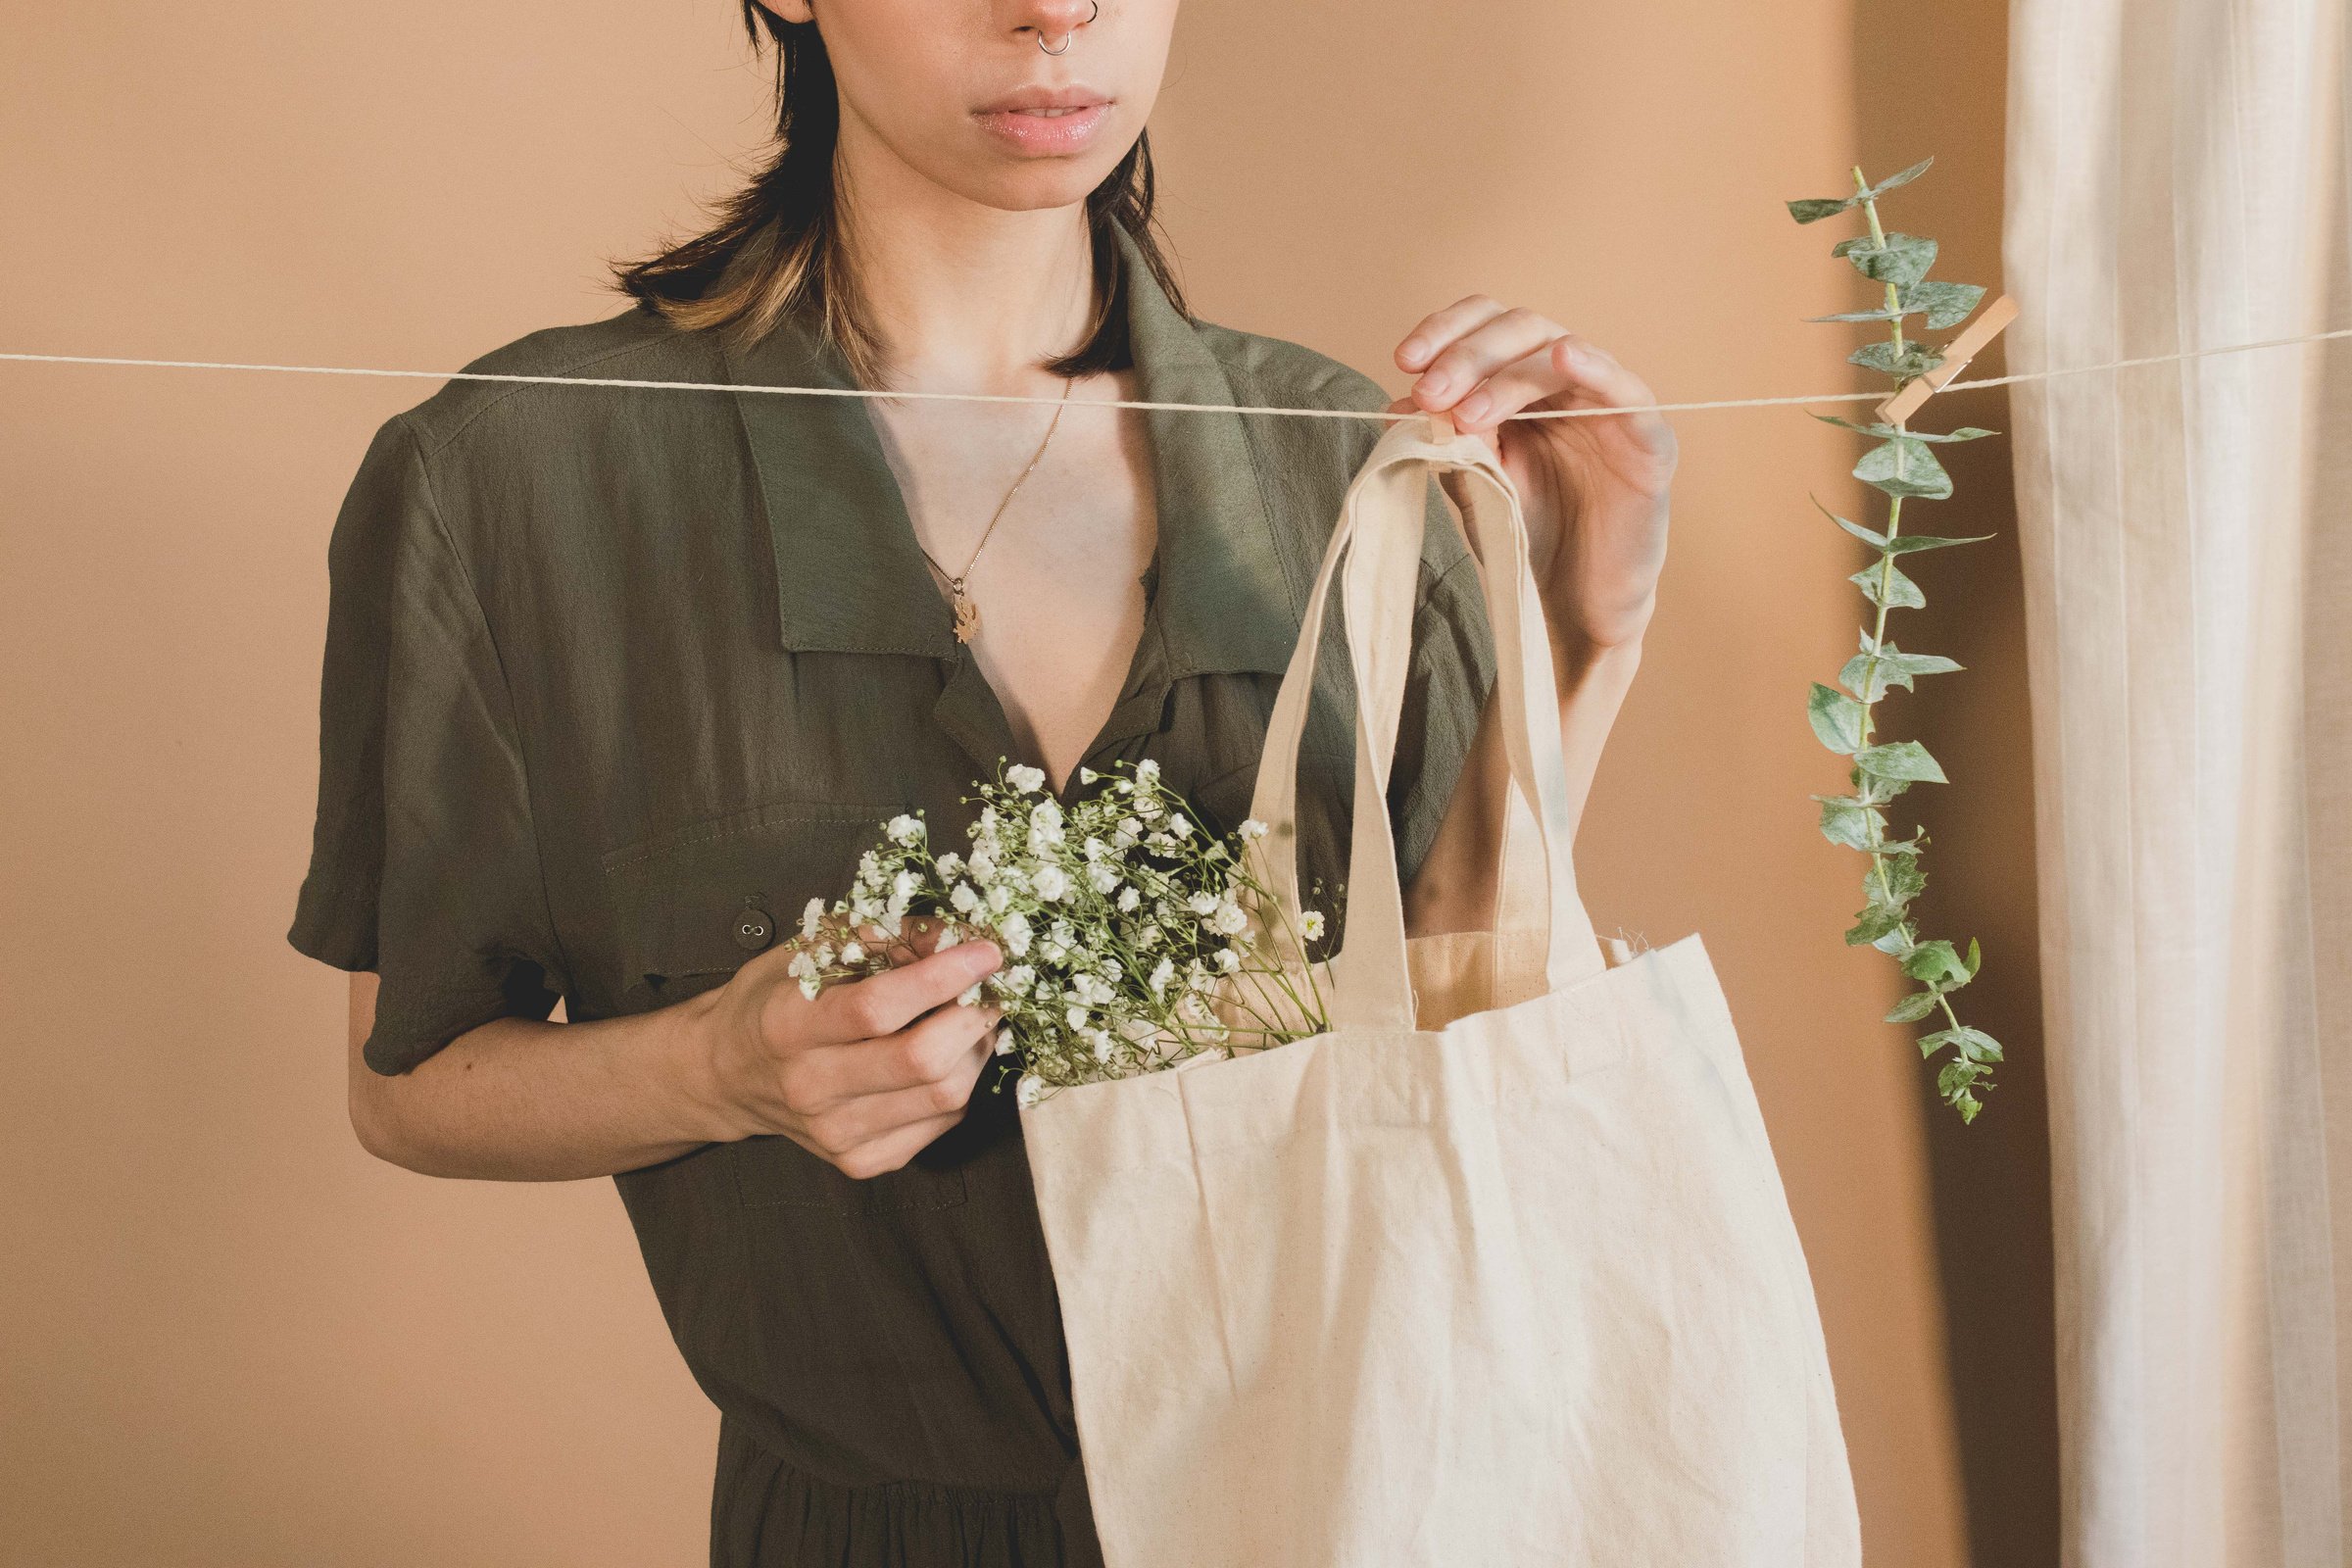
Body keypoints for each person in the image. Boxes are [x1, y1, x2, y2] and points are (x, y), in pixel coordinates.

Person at [286, 1, 1677, 1562]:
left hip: (1359, 1500)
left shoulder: (1348, 463)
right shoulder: (515, 480)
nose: (1054, 12)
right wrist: (719, 1064)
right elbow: (404, 1084)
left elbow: (1451, 1022)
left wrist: (1581, 632)